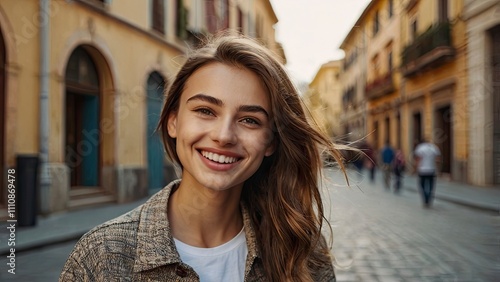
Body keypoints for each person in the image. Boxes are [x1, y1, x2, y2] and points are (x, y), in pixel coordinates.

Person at [59, 33, 345, 281]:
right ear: (173, 121)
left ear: (270, 141)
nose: (223, 135)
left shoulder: (303, 252)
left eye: (250, 120)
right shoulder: (101, 255)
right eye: (205, 111)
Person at [414, 139, 441, 207]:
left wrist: (416, 168)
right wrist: (437, 168)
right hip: (432, 170)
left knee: (422, 185)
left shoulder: (420, 148)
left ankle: (425, 198)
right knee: (431, 185)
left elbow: (418, 159)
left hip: (422, 170)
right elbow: (438, 159)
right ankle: (429, 197)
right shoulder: (434, 147)